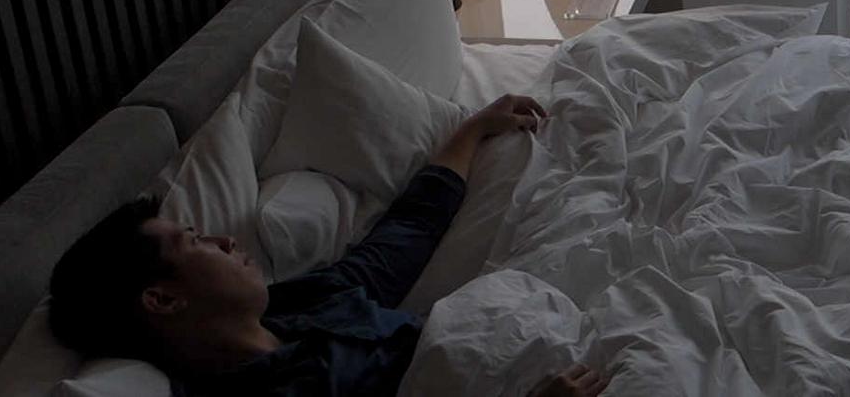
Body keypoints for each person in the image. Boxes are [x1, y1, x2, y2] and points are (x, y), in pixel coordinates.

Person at [47, 93, 608, 397]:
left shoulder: (303, 303)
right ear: (163, 299)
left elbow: (407, 232)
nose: (224, 240)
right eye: (194, 242)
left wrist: (474, 128)